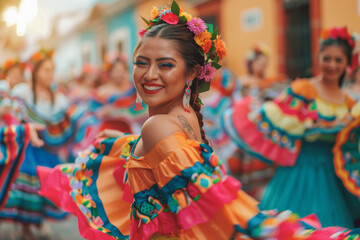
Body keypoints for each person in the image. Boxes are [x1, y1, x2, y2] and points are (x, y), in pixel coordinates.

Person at [37, 3, 359, 240]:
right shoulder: (185, 116)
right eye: (142, 62)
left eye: (165, 65)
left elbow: (211, 200)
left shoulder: (157, 127)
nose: (149, 75)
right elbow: (162, 162)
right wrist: (126, 144)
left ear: (192, 72)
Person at [222, 26, 360, 228]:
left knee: (332, 228)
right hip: (300, 173)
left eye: (338, 60)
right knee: (294, 228)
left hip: (334, 178)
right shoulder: (303, 90)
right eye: (326, 58)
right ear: (318, 56)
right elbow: (275, 116)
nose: (332, 65)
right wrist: (315, 126)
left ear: (348, 63)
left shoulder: (348, 103)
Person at [0, 50, 68, 240]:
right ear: (36, 71)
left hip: (46, 149)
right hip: (27, 148)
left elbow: (61, 127)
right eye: (46, 70)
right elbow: (10, 112)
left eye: (52, 70)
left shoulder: (59, 98)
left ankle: (38, 223)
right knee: (26, 186)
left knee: (45, 186)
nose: (50, 74)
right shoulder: (23, 92)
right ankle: (23, 227)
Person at [91, 56, 147, 134]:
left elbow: (143, 109)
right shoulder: (101, 92)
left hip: (134, 129)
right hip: (108, 128)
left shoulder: (135, 89)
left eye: (122, 71)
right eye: (116, 71)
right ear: (110, 73)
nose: (119, 74)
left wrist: (122, 113)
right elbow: (94, 111)